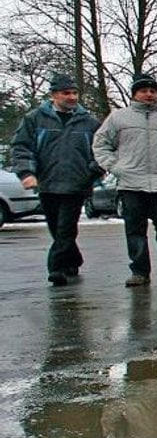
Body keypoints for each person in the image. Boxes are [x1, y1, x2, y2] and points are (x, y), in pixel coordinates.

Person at [93, 73, 157, 287]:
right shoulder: (118, 118)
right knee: (134, 229)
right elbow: (101, 144)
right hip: (131, 182)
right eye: (143, 91)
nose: (149, 95)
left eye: (153, 91)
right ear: (134, 94)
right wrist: (115, 167)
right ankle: (140, 271)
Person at [10, 74, 103, 286]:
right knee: (56, 227)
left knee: (66, 228)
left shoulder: (89, 122)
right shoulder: (34, 119)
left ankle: (57, 269)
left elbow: (102, 150)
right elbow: (21, 147)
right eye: (66, 93)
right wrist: (26, 173)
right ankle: (74, 259)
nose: (72, 97)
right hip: (47, 183)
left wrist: (94, 171)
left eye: (74, 93)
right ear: (53, 95)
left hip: (77, 184)